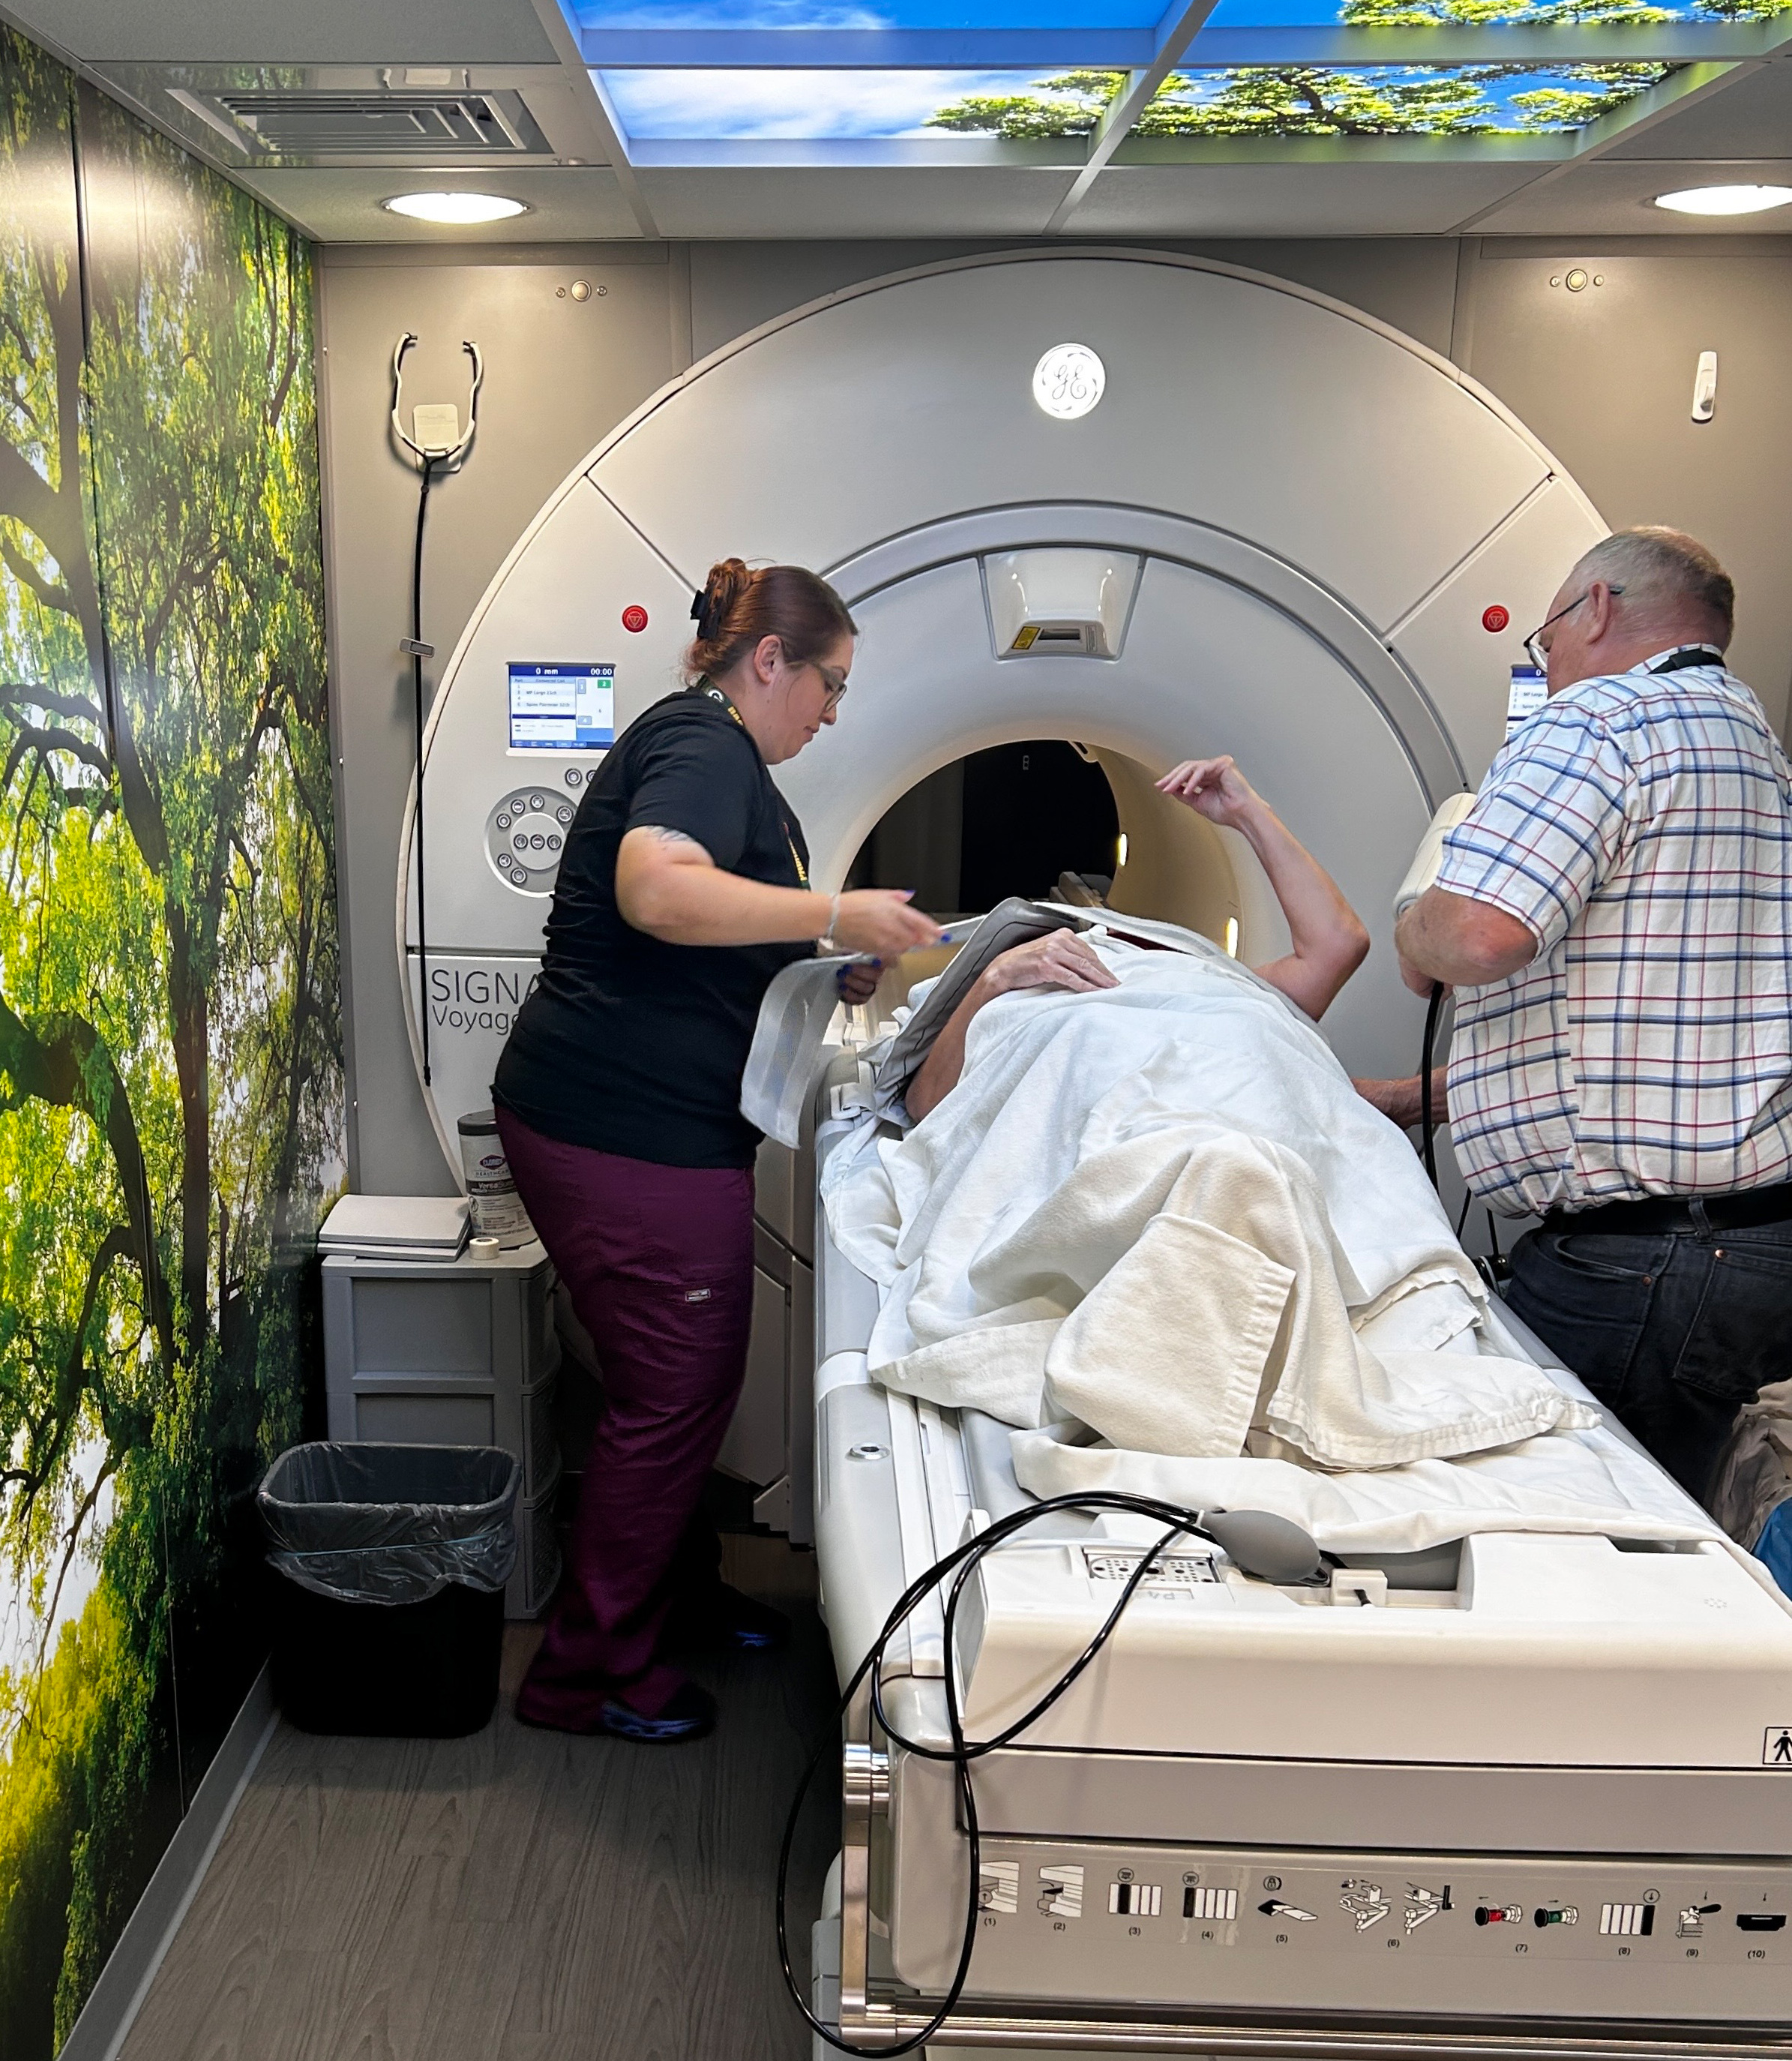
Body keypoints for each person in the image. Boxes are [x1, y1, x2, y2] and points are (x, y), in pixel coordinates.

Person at [492, 558, 941, 1742]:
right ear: (768, 661)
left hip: (656, 1122)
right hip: (617, 1123)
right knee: (675, 1389)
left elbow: (719, 925)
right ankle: (582, 1675)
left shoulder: (737, 766)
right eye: (828, 684)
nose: (834, 712)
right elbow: (655, 891)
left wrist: (815, 960)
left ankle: (665, 1599)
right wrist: (834, 914)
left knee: (681, 1391)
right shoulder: (702, 745)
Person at [1394, 526, 1792, 1507]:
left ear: (1596, 610)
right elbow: (1659, 1032)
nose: (1550, 668)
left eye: (1544, 642)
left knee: (1566, 1534)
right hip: (1744, 1247)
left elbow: (1477, 938)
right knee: (1659, 1529)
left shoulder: (1597, 723)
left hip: (1643, 1267)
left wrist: (1414, 925)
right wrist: (1417, 1098)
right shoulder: (1753, 746)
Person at [906, 754, 1369, 1118]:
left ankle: (1366, 1100)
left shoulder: (1211, 980)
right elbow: (925, 1105)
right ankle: (1374, 1100)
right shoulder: (1013, 995)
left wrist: (1249, 811)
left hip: (1226, 1111)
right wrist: (996, 976)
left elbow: (1339, 945)